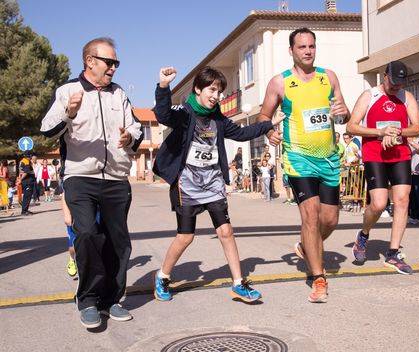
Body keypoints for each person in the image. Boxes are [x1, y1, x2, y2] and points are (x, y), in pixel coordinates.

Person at [152, 66, 284, 303]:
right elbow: (162, 115)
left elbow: (243, 134)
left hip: (212, 182)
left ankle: (238, 284)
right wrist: (163, 87)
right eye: (212, 90)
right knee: (185, 236)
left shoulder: (218, 119)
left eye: (219, 91)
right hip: (187, 184)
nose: (216, 95)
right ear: (198, 89)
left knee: (226, 231)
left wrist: (267, 124)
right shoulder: (184, 113)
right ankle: (162, 276)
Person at [41, 37, 143, 328]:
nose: (114, 68)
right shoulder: (68, 91)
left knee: (117, 241)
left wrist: (130, 137)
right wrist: (68, 113)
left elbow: (135, 126)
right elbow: (47, 130)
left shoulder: (119, 94)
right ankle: (87, 300)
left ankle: (111, 300)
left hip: (115, 178)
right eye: (109, 62)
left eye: (116, 63)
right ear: (90, 61)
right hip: (80, 176)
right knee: (86, 235)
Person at [258, 27, 350, 303]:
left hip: (329, 158)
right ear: (291, 51)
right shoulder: (280, 83)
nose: (308, 51)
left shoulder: (328, 77)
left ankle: (305, 247)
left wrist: (343, 114)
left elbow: (342, 113)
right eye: (302, 47)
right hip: (298, 159)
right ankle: (318, 278)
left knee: (330, 220)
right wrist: (269, 131)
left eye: (311, 46)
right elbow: (264, 115)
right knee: (310, 216)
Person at [346, 60, 419, 274]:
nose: (396, 86)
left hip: (400, 154)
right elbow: (351, 126)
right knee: (379, 204)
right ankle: (363, 235)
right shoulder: (369, 95)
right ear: (384, 75)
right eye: (393, 82)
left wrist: (397, 132)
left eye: (400, 83)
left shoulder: (406, 97)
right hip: (375, 154)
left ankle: (393, 252)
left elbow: (417, 127)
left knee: (402, 201)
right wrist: (381, 132)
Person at [18, 151, 36, 216]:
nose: (31, 157)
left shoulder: (23, 161)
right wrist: (20, 179)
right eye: (31, 155)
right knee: (27, 196)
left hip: (27, 181)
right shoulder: (26, 161)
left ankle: (25, 209)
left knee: (27, 196)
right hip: (28, 181)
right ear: (28, 156)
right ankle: (24, 211)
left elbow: (21, 172)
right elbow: (26, 172)